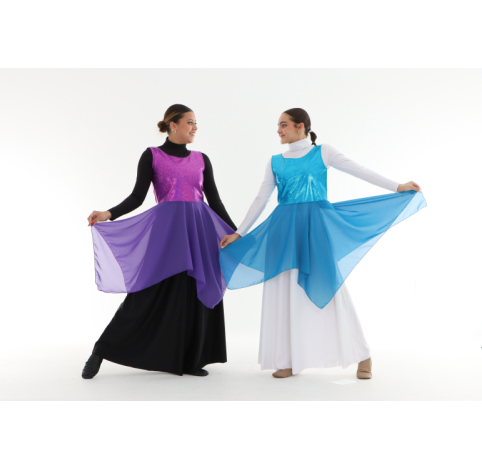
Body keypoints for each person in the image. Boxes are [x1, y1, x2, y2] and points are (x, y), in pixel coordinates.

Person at [219, 108, 425, 379]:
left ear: (300, 126)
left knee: (330, 288)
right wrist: (239, 232)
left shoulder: (323, 152)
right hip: (282, 230)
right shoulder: (275, 161)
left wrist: (397, 187)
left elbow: (359, 170)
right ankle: (287, 359)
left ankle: (362, 354)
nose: (279, 130)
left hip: (315, 228)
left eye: (284, 124)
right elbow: (261, 198)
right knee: (284, 290)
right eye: (278, 125)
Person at [83, 104, 236, 378]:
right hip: (166, 233)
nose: (195, 127)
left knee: (193, 292)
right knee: (145, 294)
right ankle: (101, 350)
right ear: (173, 125)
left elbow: (215, 200)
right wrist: (108, 214)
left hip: (198, 232)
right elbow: (137, 197)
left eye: (196, 122)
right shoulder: (152, 155)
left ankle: (191, 359)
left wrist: (236, 232)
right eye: (190, 122)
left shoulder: (202, 159)